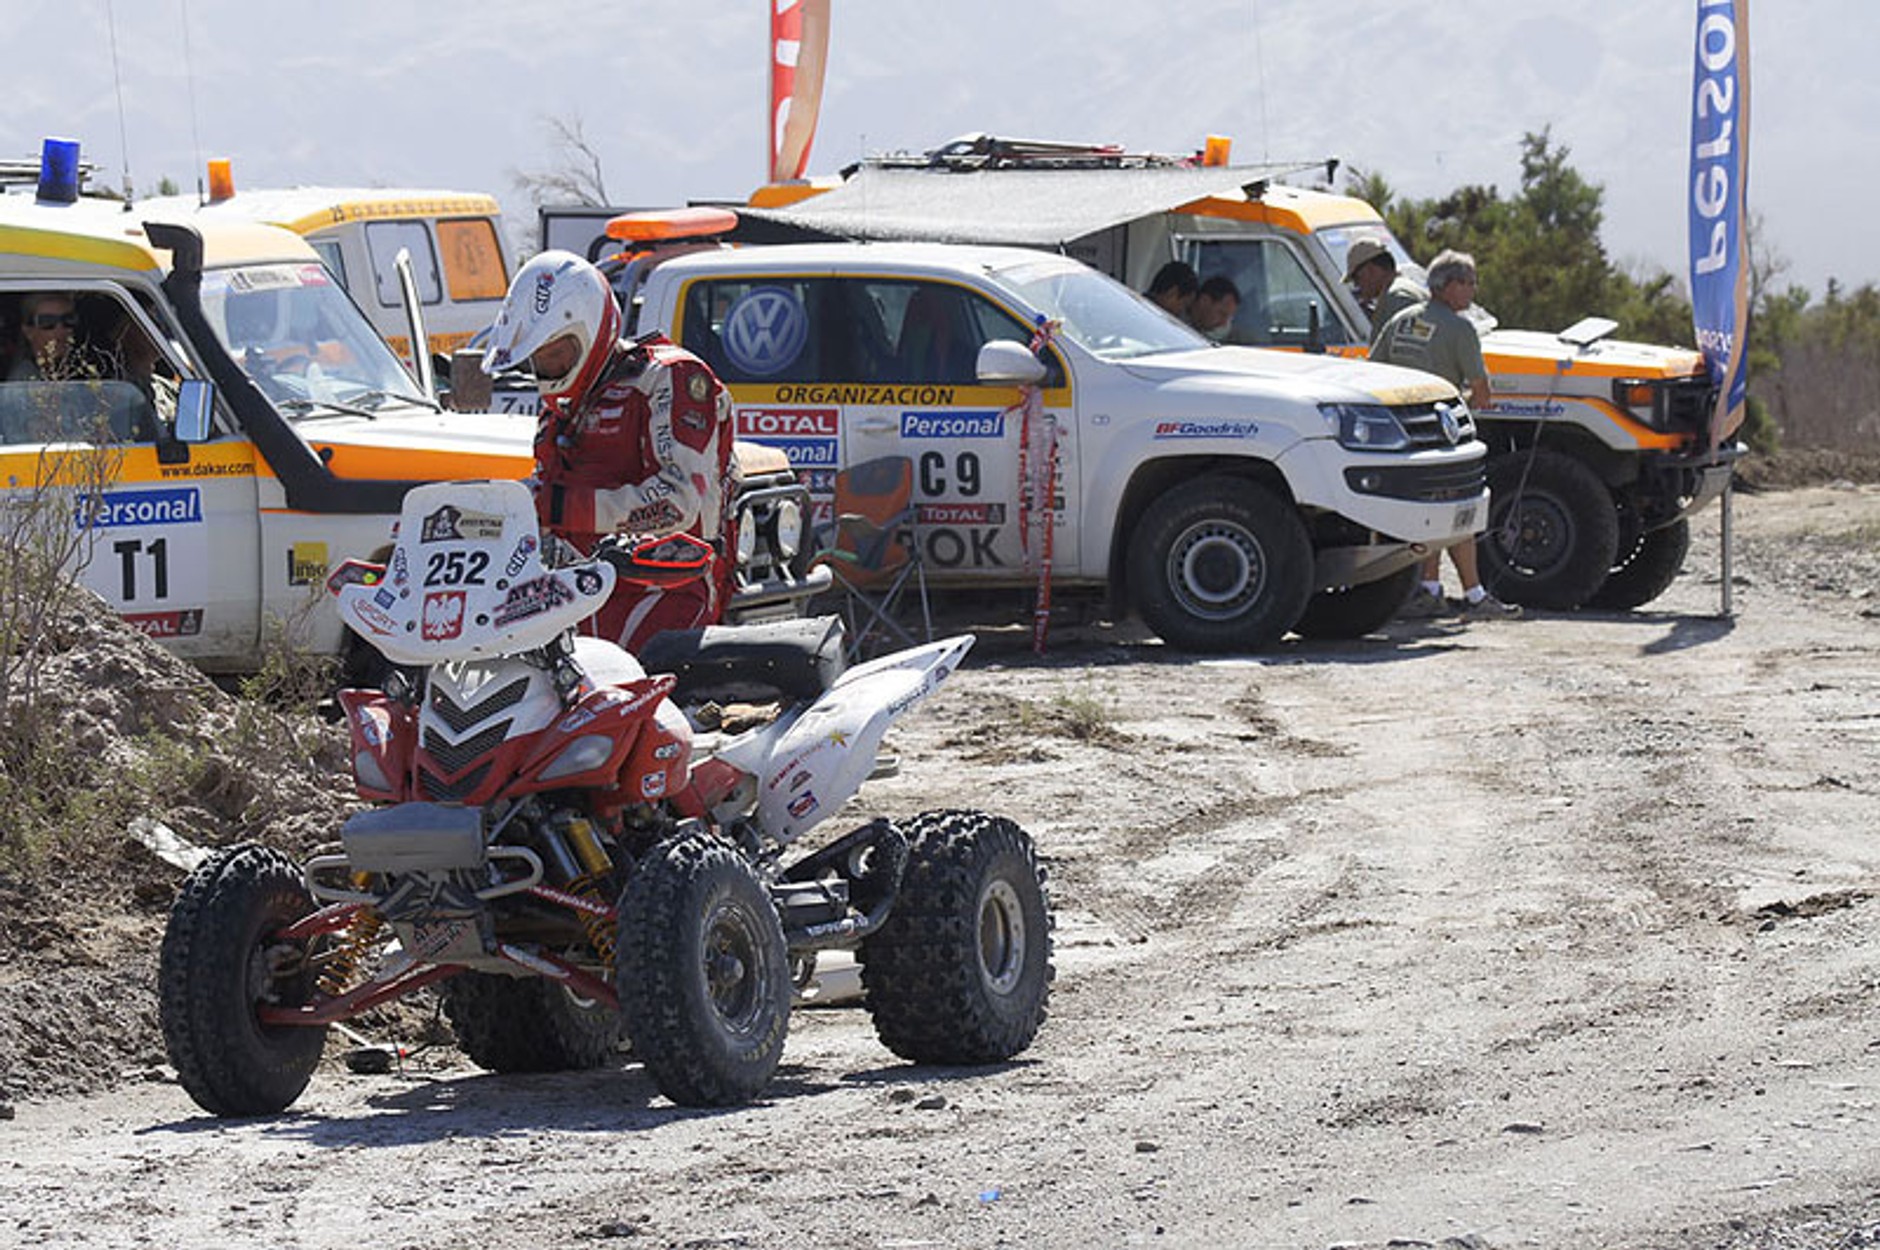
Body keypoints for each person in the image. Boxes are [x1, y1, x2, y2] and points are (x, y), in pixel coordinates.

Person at [481, 250, 739, 652]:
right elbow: (545, 497)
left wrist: (557, 506)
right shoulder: (563, 408)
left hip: (662, 594)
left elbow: (678, 504)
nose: (547, 367)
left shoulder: (668, 377)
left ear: (589, 329)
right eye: (539, 357)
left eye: (555, 352)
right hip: (572, 598)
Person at [1370, 249, 1519, 620]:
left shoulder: (1401, 320)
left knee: (1427, 513)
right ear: (1449, 286)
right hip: (1441, 435)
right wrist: (1464, 403)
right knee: (1457, 512)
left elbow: (1371, 371)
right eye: (1469, 282)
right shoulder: (1460, 329)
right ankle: (1471, 594)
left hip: (1398, 437)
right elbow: (1481, 394)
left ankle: (1432, 589)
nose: (1473, 290)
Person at [1345, 238, 1425, 344]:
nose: (1356, 285)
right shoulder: (1401, 292)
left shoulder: (1397, 299)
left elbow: (1410, 350)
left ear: (1371, 270)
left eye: (1356, 278)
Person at [8, 292, 101, 382]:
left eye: (68, 319)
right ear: (28, 331)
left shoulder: (82, 371)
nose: (60, 329)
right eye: (47, 322)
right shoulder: (23, 382)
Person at [1188, 275, 1240, 341]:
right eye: (1222, 314)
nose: (1224, 323)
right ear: (1204, 301)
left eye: (1229, 318)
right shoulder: (1174, 323)